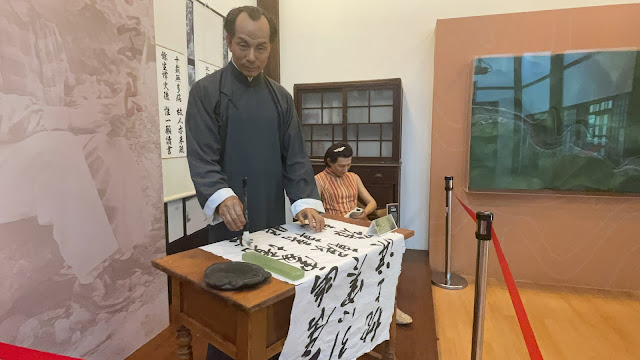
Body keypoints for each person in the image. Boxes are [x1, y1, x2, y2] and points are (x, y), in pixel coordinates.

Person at [185, 6, 326, 360]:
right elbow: (202, 156)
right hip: (230, 219)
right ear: (228, 40)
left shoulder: (280, 98)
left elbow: (294, 157)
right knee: (230, 296)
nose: (251, 57)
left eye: (260, 48)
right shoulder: (206, 92)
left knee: (275, 290)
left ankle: (274, 350)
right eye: (243, 45)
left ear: (270, 47)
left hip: (273, 215)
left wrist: (305, 201)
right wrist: (220, 196)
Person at [315, 142, 414, 325]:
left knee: (389, 247)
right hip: (336, 231)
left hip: (359, 223)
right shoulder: (319, 180)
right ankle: (371, 307)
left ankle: (390, 306)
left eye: (348, 165)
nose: (345, 169)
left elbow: (372, 202)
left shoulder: (353, 177)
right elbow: (316, 211)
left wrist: (364, 212)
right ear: (329, 162)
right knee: (366, 264)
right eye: (341, 166)